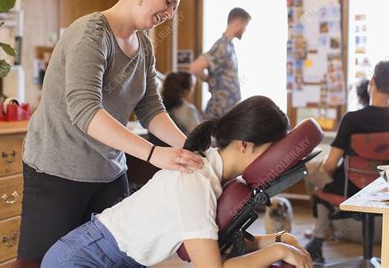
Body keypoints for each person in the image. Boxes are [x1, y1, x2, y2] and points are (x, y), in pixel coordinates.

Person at [18, 0, 204, 264]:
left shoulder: (143, 45)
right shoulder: (91, 34)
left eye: (175, 7)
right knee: (45, 262)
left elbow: (150, 107)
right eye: (168, 1)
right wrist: (153, 153)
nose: (171, 13)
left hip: (109, 172)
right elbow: (85, 110)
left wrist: (188, 148)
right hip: (58, 171)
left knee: (119, 256)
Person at [41, 96, 313, 268]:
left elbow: (222, 244)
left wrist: (279, 239)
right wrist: (277, 250)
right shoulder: (196, 180)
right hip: (83, 259)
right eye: (272, 151)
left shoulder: (214, 176)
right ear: (244, 145)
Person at [305, 60, 389, 263]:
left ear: (371, 81)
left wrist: (318, 170)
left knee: (313, 175)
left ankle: (317, 239)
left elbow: (330, 165)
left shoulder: (352, 119)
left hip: (353, 189)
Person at [189, 7, 251, 119]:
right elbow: (195, 68)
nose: (245, 30)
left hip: (228, 112)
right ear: (237, 24)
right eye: (245, 26)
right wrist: (209, 80)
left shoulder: (229, 46)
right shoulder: (222, 46)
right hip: (220, 112)